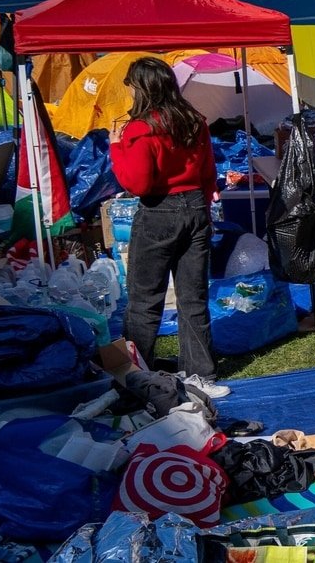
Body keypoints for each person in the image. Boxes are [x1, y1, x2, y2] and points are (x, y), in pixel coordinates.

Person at [109, 58, 227, 398]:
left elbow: (139, 184)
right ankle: (201, 375)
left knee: (145, 300)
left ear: (141, 88)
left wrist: (117, 147)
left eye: (130, 86)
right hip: (195, 207)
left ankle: (133, 375)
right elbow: (208, 170)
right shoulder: (194, 121)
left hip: (159, 211)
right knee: (193, 297)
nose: (128, 92)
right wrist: (203, 204)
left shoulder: (140, 129)